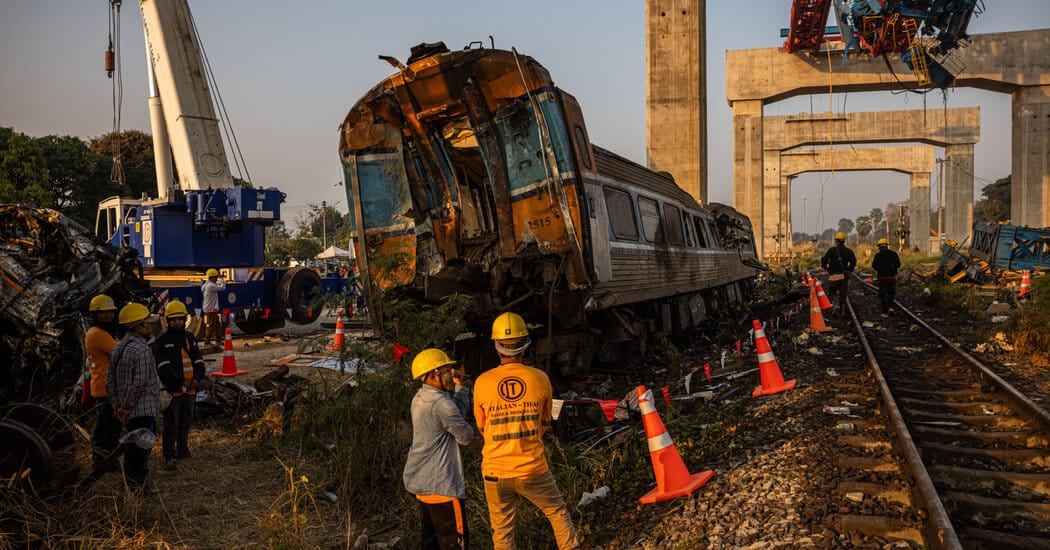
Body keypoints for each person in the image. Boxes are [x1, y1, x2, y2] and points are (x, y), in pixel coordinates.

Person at [474, 312, 579, 550]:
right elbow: (544, 423)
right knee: (557, 511)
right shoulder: (539, 378)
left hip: (494, 471)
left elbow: (482, 427)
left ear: (497, 346)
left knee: (502, 532)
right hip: (531, 468)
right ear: (524, 346)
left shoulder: (482, 382)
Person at [403, 348, 474, 550]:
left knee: (431, 542)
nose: (452, 375)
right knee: (454, 544)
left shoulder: (420, 397)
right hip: (442, 486)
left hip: (420, 482)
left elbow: (453, 416)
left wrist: (460, 390)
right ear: (433, 375)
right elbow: (466, 437)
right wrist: (463, 390)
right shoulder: (442, 404)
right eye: (446, 371)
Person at [107, 302, 161, 494]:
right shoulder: (142, 350)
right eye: (147, 323)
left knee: (131, 449)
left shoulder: (118, 347)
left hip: (126, 410)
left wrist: (117, 405)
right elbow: (139, 383)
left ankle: (131, 484)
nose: (151, 326)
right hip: (142, 409)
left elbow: (110, 380)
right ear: (138, 327)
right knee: (142, 450)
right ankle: (138, 486)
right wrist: (128, 407)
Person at [153, 300, 206, 470]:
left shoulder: (189, 337)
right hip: (173, 391)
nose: (177, 322)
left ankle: (183, 449)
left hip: (190, 389)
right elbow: (163, 367)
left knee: (186, 421)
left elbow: (198, 359)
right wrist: (180, 381)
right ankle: (169, 455)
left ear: (185, 319)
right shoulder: (161, 341)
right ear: (167, 321)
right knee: (171, 424)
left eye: (180, 319)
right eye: (173, 319)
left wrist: (197, 378)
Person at [85, 294, 122, 469]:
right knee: (111, 427)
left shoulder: (102, 332)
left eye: (109, 312)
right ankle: (106, 460)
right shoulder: (98, 334)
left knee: (104, 425)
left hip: (103, 386)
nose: (107, 316)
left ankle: (100, 458)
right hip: (105, 387)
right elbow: (119, 351)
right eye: (102, 313)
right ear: (95, 315)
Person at [821, 231, 857, 316]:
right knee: (843, 294)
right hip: (843, 276)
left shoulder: (832, 250)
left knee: (832, 293)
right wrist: (848, 270)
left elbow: (824, 260)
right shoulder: (849, 251)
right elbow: (853, 262)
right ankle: (842, 310)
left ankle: (835, 305)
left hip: (833, 276)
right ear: (844, 240)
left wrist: (826, 267)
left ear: (836, 241)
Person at [872, 237, 902, 317]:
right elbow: (898, 264)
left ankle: (885, 313)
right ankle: (891, 308)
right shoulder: (894, 254)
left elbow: (874, 266)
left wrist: (880, 269)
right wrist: (892, 268)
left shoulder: (877, 255)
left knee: (884, 295)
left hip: (882, 278)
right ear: (887, 246)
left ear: (880, 246)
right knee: (891, 293)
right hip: (892, 277)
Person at [200, 268, 225, 345]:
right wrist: (222, 279)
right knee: (210, 325)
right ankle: (207, 341)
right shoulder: (210, 286)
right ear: (213, 277)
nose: (217, 279)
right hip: (211, 309)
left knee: (217, 325)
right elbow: (222, 287)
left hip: (210, 308)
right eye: (216, 277)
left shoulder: (205, 285)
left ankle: (218, 340)